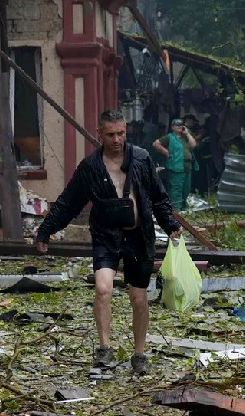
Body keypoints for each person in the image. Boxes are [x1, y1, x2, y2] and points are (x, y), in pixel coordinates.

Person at [35, 109, 182, 375]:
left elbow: (158, 197)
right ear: (99, 133)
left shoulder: (141, 158)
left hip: (138, 236)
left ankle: (139, 354)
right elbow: (69, 202)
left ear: (126, 132)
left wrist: (170, 225)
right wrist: (46, 231)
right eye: (111, 134)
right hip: (106, 235)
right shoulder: (90, 167)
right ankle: (104, 349)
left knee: (138, 297)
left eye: (121, 133)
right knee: (103, 289)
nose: (116, 139)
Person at [153, 119, 197, 209]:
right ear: (172, 127)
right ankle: (176, 210)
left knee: (186, 189)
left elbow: (193, 145)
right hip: (176, 166)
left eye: (181, 125)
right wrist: (165, 151)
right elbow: (156, 144)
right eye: (177, 125)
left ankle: (183, 208)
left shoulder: (186, 137)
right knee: (176, 189)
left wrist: (187, 133)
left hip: (187, 167)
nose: (180, 127)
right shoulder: (169, 137)